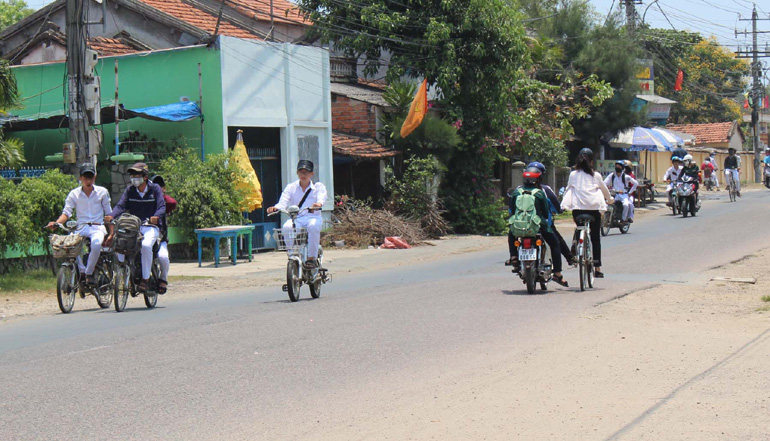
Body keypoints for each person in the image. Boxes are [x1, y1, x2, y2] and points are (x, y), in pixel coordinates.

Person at [47, 163, 112, 286]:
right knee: (72, 246)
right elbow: (66, 213)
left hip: (97, 227)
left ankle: (89, 273)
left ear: (95, 177)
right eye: (85, 177)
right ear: (80, 177)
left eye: (90, 177)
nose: (88, 180)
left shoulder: (102, 192)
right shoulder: (74, 194)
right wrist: (56, 223)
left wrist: (111, 233)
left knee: (96, 244)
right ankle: (81, 271)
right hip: (81, 227)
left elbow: (109, 214)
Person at [105, 162, 166, 292]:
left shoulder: (155, 189)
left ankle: (145, 279)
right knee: (119, 241)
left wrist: (156, 217)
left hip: (150, 226)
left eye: (137, 175)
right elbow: (121, 206)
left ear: (145, 177)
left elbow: (162, 206)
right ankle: (123, 269)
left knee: (146, 245)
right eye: (132, 175)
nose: (133, 178)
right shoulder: (130, 190)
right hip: (134, 226)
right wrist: (111, 215)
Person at [508, 166, 568, 287]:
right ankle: (557, 272)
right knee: (555, 243)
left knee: (511, 234)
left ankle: (514, 256)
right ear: (538, 179)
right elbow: (546, 213)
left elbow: (512, 211)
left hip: (520, 227)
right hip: (538, 226)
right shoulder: (540, 193)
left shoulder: (517, 192)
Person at [560, 148, 613, 278]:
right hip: (594, 210)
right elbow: (605, 191)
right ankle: (598, 268)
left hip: (578, 210)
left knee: (579, 226)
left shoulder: (573, 174)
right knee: (595, 238)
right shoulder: (596, 175)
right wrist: (610, 200)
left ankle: (577, 241)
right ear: (591, 161)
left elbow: (568, 190)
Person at [267, 160, 327, 269]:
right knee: (287, 226)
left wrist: (317, 204)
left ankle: (311, 259)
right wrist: (275, 208)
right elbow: (283, 202)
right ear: (297, 173)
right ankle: (292, 255)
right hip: (297, 218)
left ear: (311, 174)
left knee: (313, 226)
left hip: (313, 217)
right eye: (301, 171)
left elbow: (321, 198)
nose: (303, 174)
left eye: (306, 172)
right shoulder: (291, 187)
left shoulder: (318, 187)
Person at [523, 161, 575, 265]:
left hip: (522, 224)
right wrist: (559, 211)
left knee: (513, 235)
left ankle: (514, 257)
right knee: (556, 241)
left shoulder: (519, 190)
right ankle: (564, 265)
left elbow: (511, 209)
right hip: (542, 224)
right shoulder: (544, 190)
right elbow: (553, 208)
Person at [151, 175, 177, 294]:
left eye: (159, 187)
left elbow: (173, 203)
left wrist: (161, 197)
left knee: (163, 258)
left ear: (163, 188)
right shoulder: (147, 201)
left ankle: (163, 280)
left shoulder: (164, 202)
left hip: (160, 239)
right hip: (145, 236)